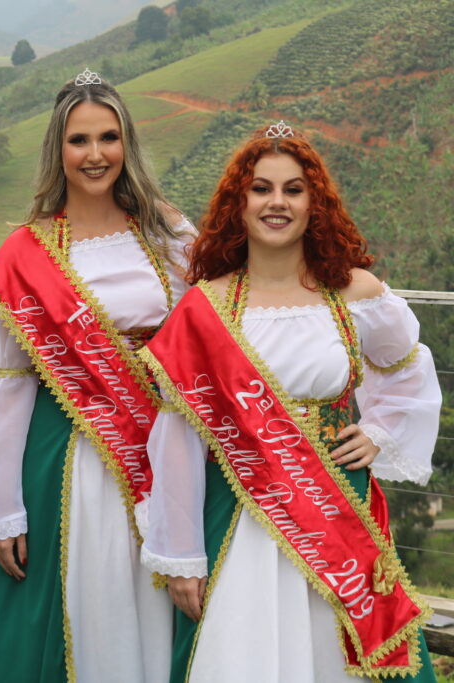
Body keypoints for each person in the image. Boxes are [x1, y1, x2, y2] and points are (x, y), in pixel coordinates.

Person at [138, 122, 441, 682]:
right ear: (239, 201)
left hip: (336, 513)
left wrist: (379, 430)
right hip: (236, 515)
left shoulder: (356, 293)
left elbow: (407, 369)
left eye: (293, 189)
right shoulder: (204, 308)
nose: (277, 202)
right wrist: (180, 554)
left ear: (314, 204)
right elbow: (177, 438)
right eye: (261, 188)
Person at [0, 68, 192, 682]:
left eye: (108, 137)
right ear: (58, 150)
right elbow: (10, 386)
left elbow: (220, 326)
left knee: (165, 594)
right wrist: (6, 509)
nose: (95, 155)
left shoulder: (168, 232)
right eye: (79, 140)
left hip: (166, 446)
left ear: (127, 143)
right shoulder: (28, 253)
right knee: (90, 602)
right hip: (73, 457)